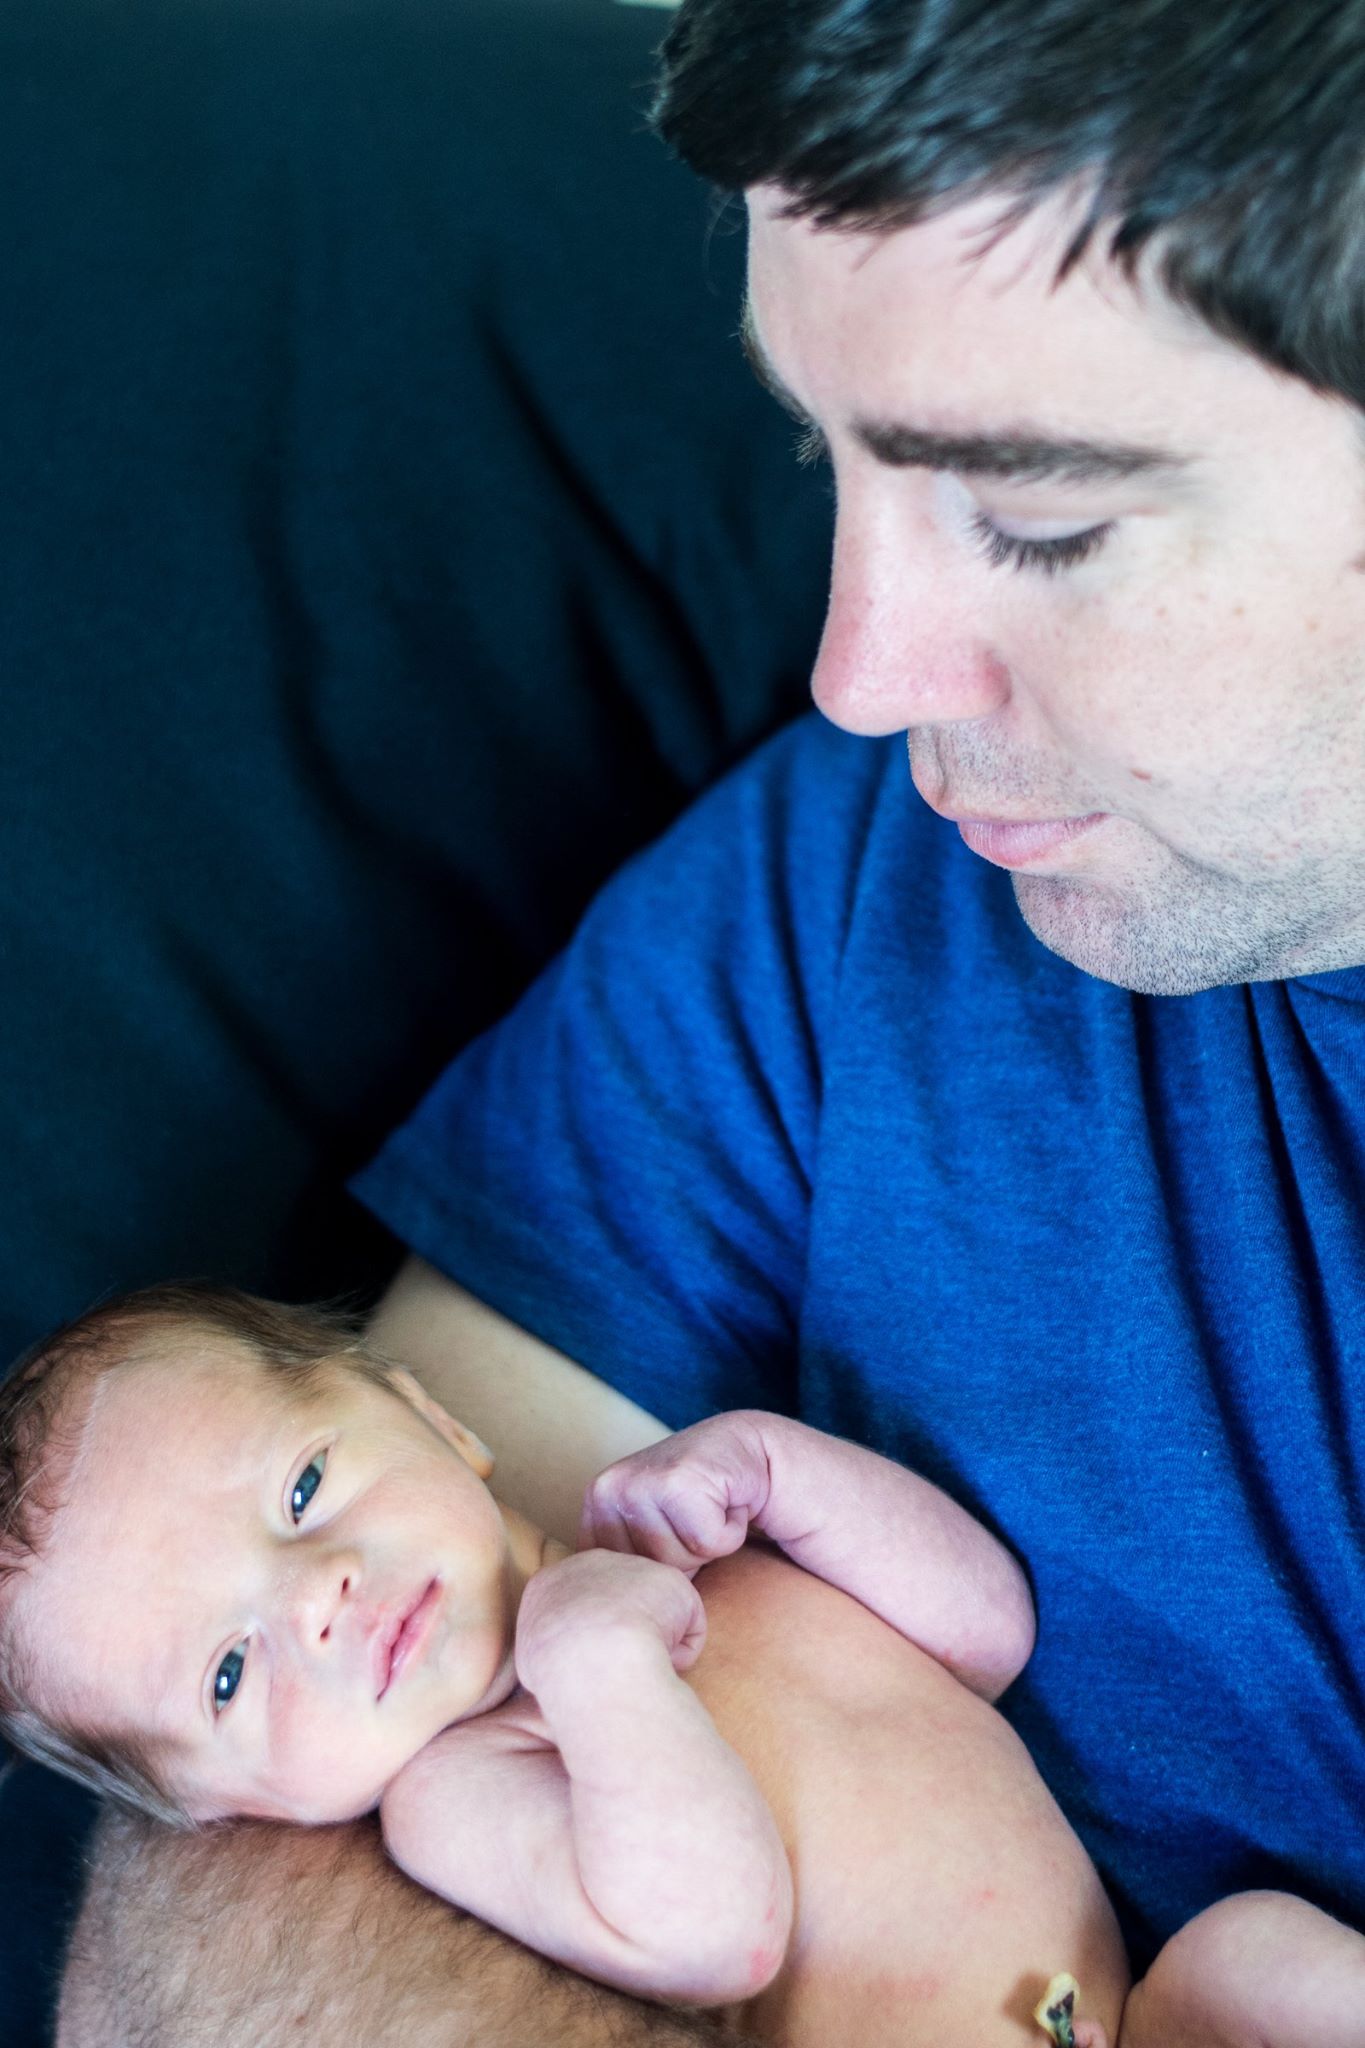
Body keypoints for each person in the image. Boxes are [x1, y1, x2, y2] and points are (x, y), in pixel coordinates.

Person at [56, 1, 1365, 2042]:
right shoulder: (835, 907)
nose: (851, 671)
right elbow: (269, 1894)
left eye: (1033, 517)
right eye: (819, 457)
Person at [4, 1284, 1129, 2045]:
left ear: (432, 1414)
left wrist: (783, 1470)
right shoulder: (465, 1790)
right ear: (225, 1805)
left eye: (302, 1489)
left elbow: (987, 1636)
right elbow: (715, 1934)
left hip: (1146, 1997)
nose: (315, 1600)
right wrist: (598, 1658)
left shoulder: (687, 1536)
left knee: (1265, 1948)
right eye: (229, 1672)